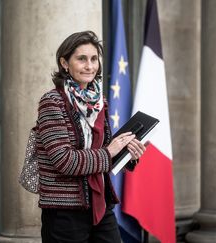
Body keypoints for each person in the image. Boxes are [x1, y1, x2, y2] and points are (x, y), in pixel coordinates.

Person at [36, 30, 146, 243]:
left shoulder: (99, 101)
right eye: (82, 59)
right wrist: (109, 151)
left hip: (100, 204)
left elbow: (105, 156)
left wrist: (127, 153)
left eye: (94, 59)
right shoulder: (52, 102)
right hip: (65, 213)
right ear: (65, 63)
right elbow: (63, 161)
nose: (90, 66)